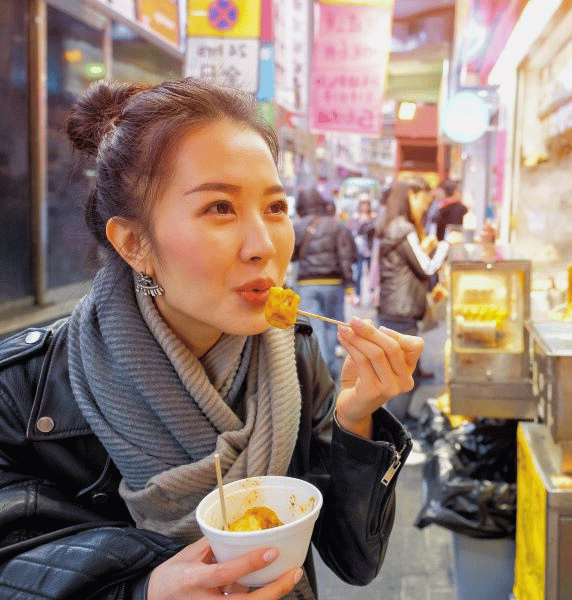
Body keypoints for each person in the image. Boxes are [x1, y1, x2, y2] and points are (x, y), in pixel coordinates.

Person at [0, 78, 422, 600]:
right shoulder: (22, 392)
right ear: (135, 243)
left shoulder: (297, 353)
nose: (264, 245)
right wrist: (139, 591)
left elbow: (353, 560)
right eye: (220, 207)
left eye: (274, 207)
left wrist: (357, 421)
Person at [375, 177, 449, 424]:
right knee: (403, 379)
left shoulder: (396, 226)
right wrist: (445, 247)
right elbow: (426, 268)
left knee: (405, 377)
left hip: (396, 310)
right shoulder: (402, 228)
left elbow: (409, 264)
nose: (425, 208)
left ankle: (400, 425)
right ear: (410, 196)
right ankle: (394, 432)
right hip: (399, 312)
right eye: (422, 201)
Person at [292, 188, 357, 375]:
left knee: (315, 325)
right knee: (332, 325)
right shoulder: (337, 226)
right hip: (333, 283)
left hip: (307, 284)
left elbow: (292, 255)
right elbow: (346, 256)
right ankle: (328, 365)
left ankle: (322, 368)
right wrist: (350, 283)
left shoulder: (297, 227)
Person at [348, 196, 375, 306]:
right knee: (358, 274)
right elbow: (353, 231)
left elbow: (374, 231)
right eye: (363, 204)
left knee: (371, 272)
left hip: (369, 249)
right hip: (358, 250)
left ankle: (373, 294)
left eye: (366, 204)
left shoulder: (372, 217)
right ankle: (357, 296)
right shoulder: (355, 217)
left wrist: (368, 222)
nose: (364, 206)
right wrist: (361, 222)